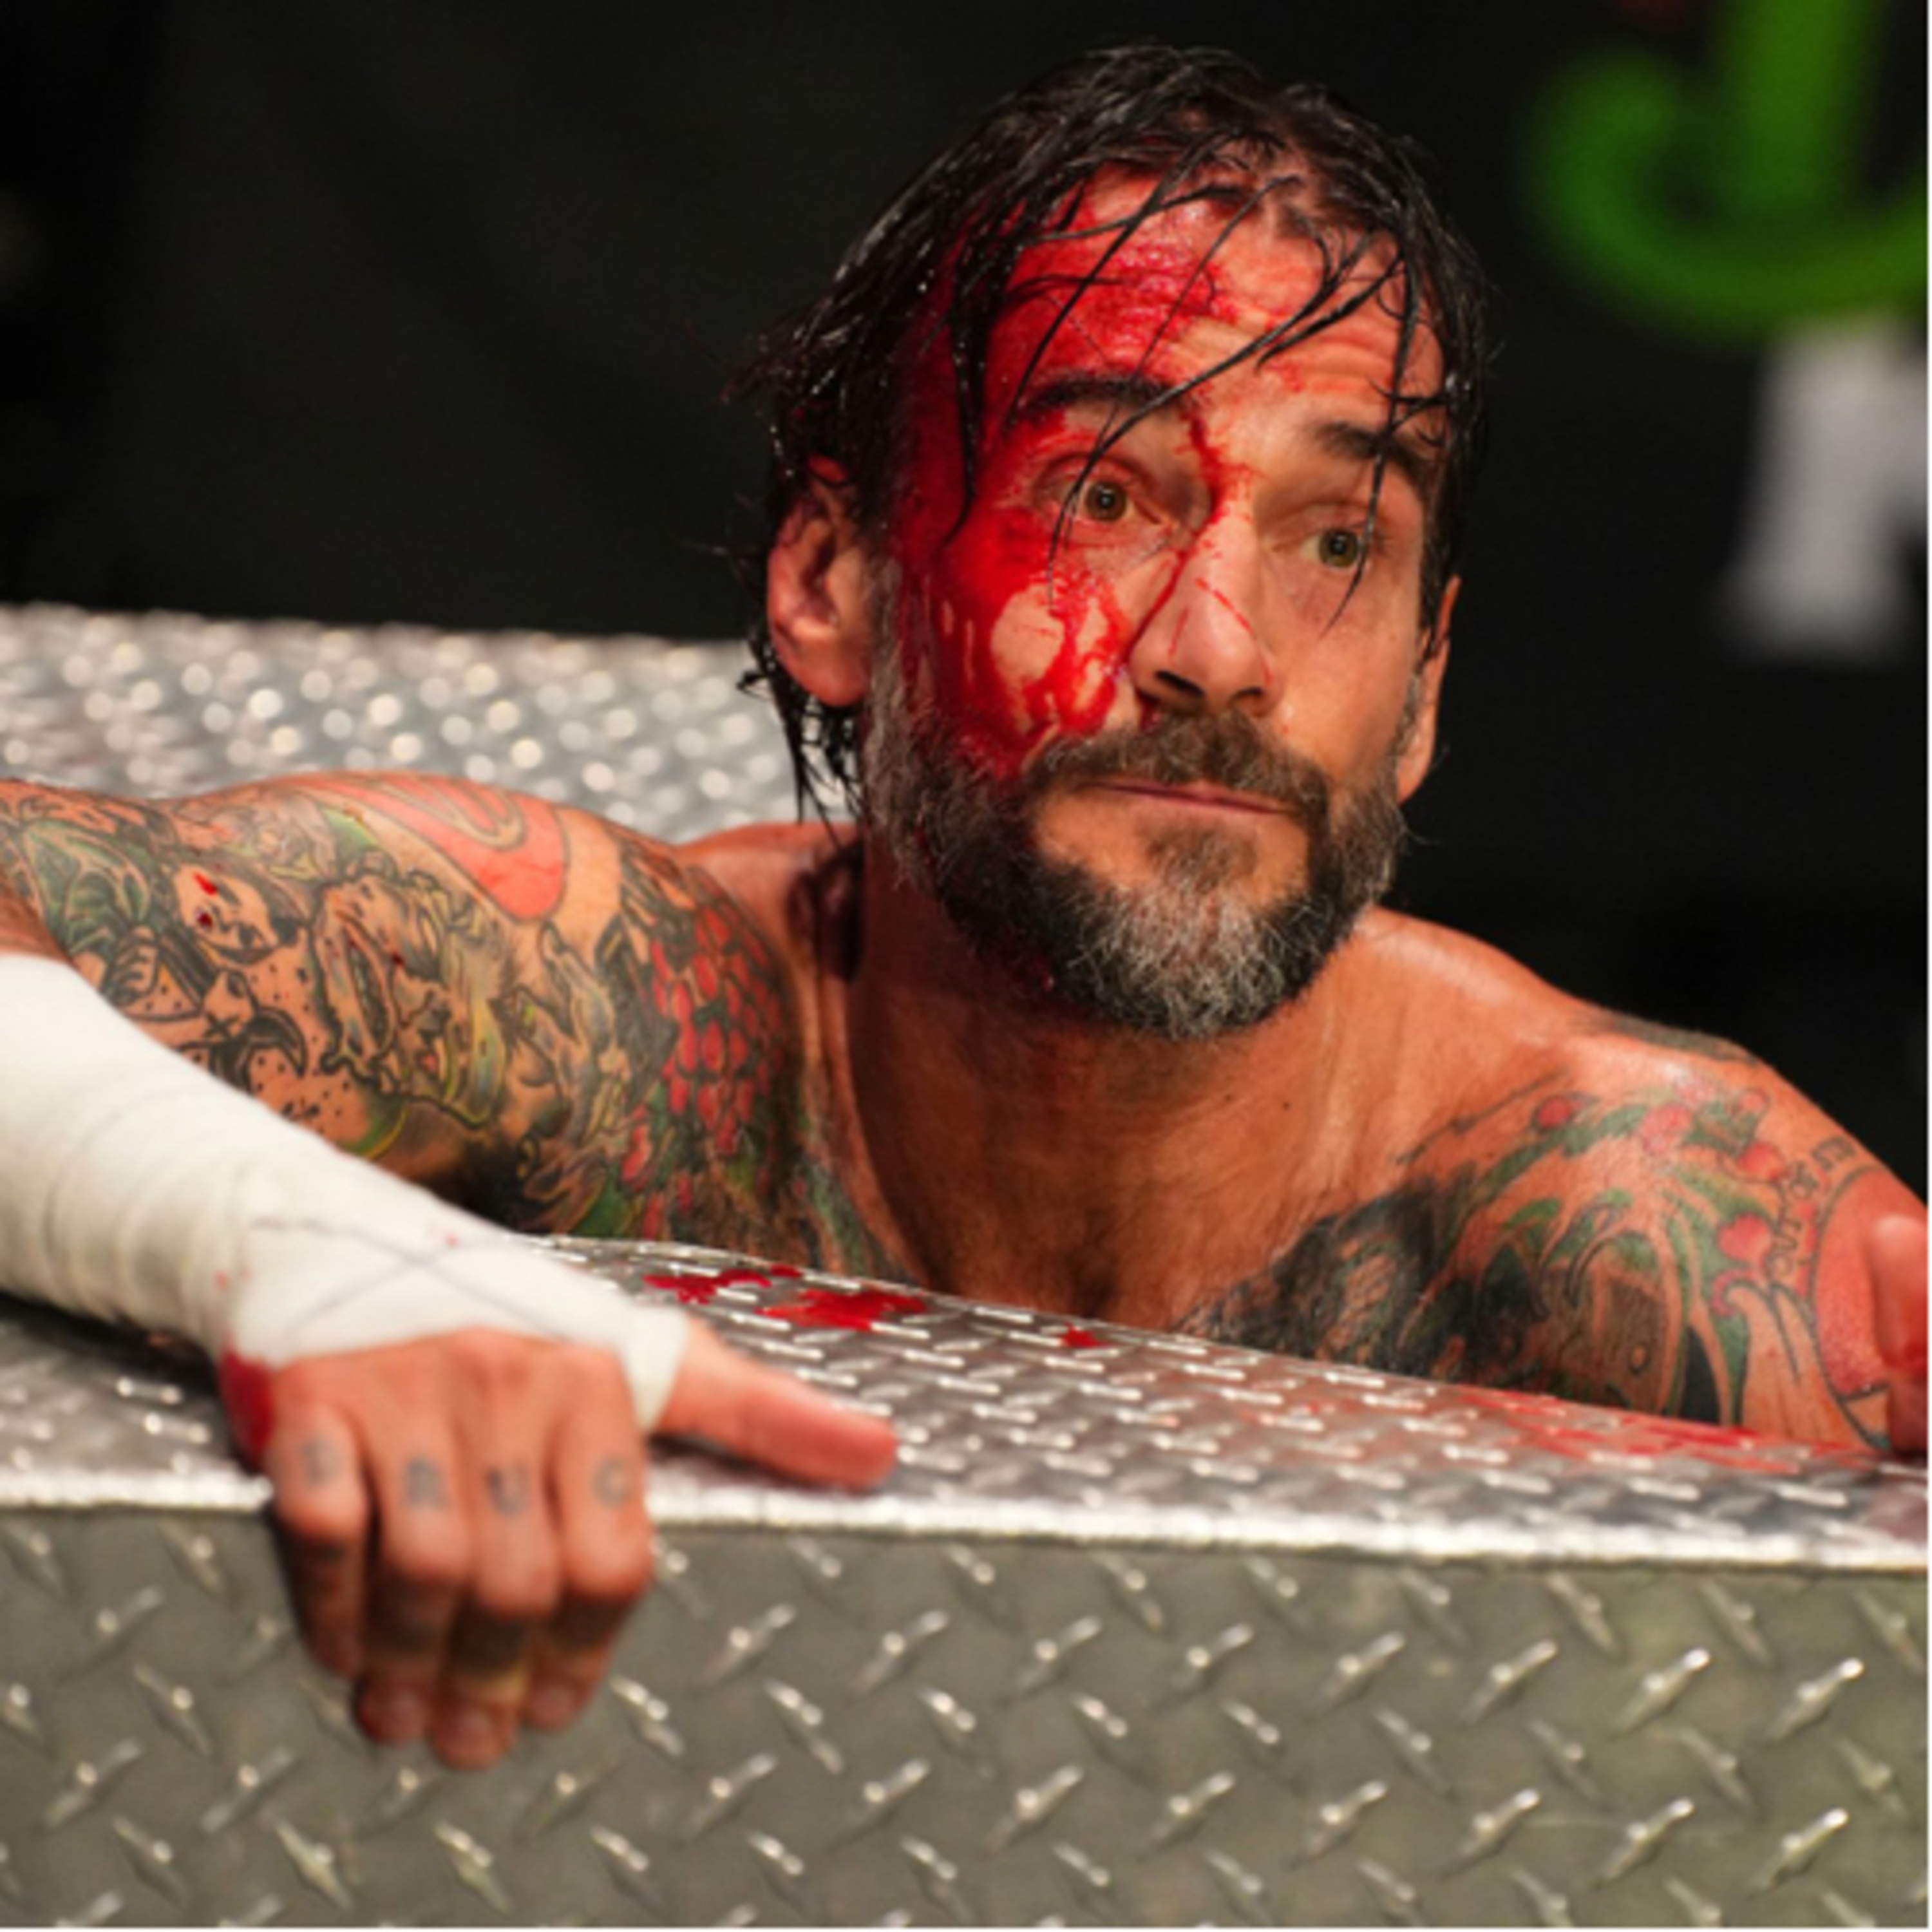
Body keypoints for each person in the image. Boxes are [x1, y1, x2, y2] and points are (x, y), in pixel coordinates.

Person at [0, 46, 1922, 1776]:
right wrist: (282, 1245)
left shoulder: (1597, 1199)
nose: (1219, 652)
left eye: (1339, 538)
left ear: (1424, 689)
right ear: (832, 584)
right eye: (1104, 499)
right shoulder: (600, 1010)